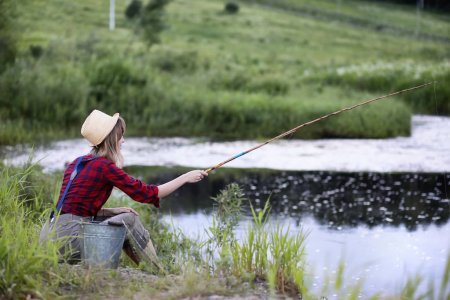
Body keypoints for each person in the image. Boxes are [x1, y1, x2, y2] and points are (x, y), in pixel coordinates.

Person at [39, 109, 208, 268]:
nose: (123, 141)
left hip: (50, 236)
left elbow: (75, 208)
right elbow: (148, 194)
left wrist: (111, 211)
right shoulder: (105, 167)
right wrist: (186, 177)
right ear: (112, 139)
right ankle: (158, 271)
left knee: (122, 216)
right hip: (67, 239)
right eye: (121, 136)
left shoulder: (76, 163)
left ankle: (147, 269)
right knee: (130, 220)